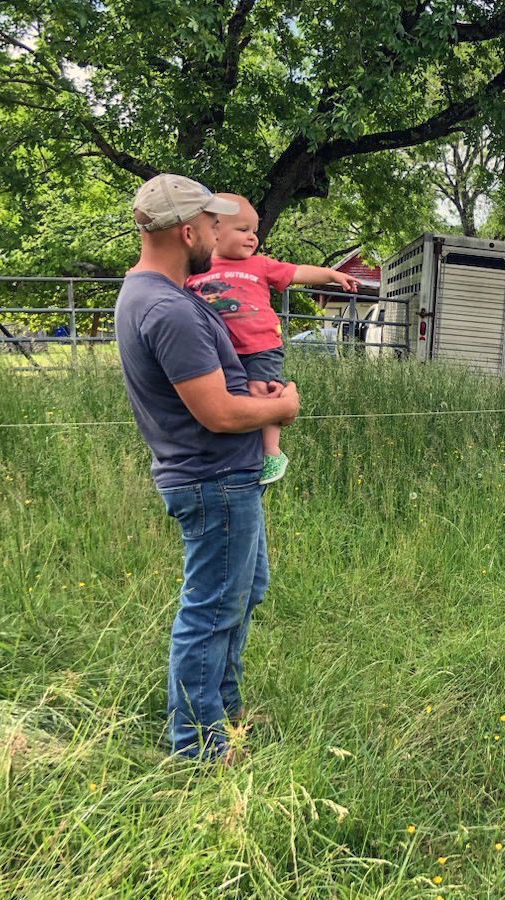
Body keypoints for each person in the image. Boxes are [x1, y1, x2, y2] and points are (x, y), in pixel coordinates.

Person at [115, 173, 300, 763]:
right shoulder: (170, 309)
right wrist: (280, 407)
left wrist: (255, 388)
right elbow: (218, 413)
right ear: (188, 230)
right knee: (214, 605)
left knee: (244, 592)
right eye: (211, 223)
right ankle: (197, 744)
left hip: (220, 473)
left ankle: (224, 709)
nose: (219, 233)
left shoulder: (154, 294)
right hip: (213, 477)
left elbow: (218, 388)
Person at [186, 194, 358, 484]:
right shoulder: (196, 271)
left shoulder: (260, 265)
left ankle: (271, 453)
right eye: (243, 230)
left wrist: (331, 274)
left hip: (261, 347)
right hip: (219, 349)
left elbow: (297, 272)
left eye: (254, 231)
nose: (252, 237)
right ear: (214, 231)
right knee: (220, 396)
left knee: (261, 390)